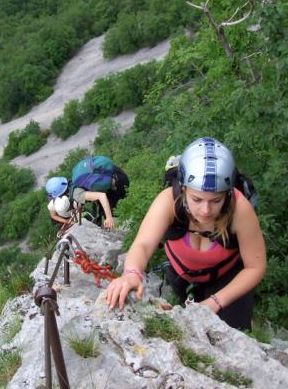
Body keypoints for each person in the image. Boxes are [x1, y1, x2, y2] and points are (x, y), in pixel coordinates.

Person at [104, 137, 266, 330]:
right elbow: (143, 245)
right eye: (197, 199)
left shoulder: (239, 209)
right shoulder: (169, 202)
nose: (205, 210)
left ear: (228, 193)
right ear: (183, 188)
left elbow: (255, 267)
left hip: (228, 281)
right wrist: (131, 273)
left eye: (216, 201)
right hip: (182, 278)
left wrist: (214, 302)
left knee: (231, 333)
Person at [44, 164, 129, 229]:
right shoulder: (74, 180)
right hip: (115, 173)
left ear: (60, 194)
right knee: (105, 210)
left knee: (116, 213)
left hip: (118, 183)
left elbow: (101, 196)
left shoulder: (76, 194)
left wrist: (109, 218)